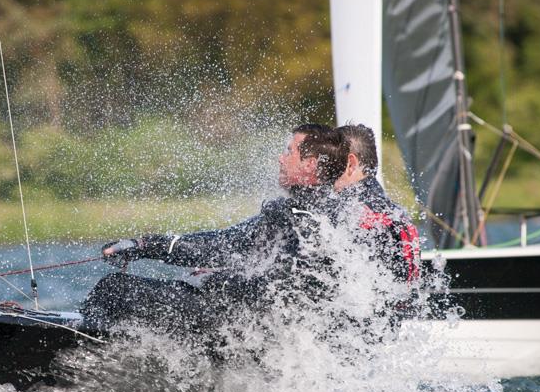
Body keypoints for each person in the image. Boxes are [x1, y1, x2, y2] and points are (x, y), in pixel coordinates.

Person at [80, 124, 350, 336]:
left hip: (244, 329)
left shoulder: (293, 214)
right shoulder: (332, 214)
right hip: (273, 332)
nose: (281, 158)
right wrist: (147, 246)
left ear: (310, 164)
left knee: (115, 289)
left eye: (289, 151)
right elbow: (231, 248)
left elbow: (230, 254)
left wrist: (215, 280)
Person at [333, 124, 420, 285]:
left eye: (330, 160)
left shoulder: (355, 211)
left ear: (350, 164)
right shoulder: (393, 210)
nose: (323, 168)